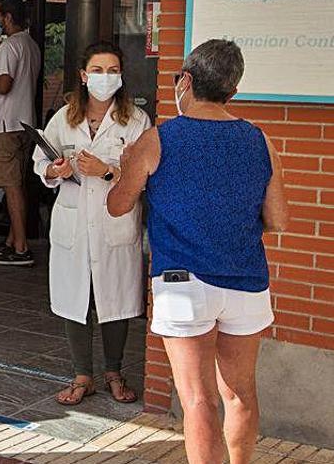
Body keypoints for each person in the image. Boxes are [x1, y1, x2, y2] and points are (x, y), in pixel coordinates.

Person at [108, 39, 287, 464]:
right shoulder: (260, 141)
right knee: (240, 392)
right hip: (246, 282)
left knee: (198, 400)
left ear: (185, 82)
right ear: (233, 92)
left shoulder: (156, 139)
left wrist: (125, 166)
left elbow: (118, 205)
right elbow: (278, 220)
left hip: (181, 283)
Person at [34, 42, 149, 406]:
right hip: (73, 219)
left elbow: (147, 173)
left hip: (113, 218)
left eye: (111, 70)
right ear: (84, 77)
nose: (104, 78)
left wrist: (108, 171)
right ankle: (83, 374)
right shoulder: (65, 117)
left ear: (121, 76)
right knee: (75, 297)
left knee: (114, 297)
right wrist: (56, 169)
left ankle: (114, 372)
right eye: (96, 71)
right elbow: (41, 160)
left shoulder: (135, 121)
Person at [0, 0, 40, 266]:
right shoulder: (31, 44)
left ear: (8, 17)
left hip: (5, 124)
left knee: (11, 186)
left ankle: (21, 248)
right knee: (17, 184)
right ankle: (12, 240)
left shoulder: (8, 46)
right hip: (24, 122)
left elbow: (3, 86)